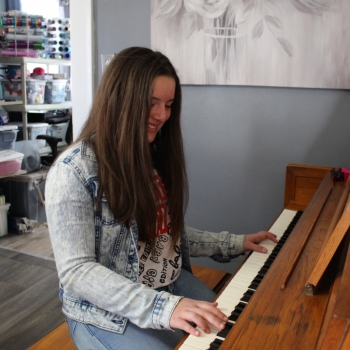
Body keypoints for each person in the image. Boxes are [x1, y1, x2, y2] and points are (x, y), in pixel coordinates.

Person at [45, 46, 278, 350]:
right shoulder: (72, 171)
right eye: (151, 103)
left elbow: (165, 235)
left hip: (168, 283)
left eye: (168, 105)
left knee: (235, 335)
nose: (162, 115)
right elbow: (77, 272)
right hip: (104, 313)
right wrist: (164, 308)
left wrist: (232, 243)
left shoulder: (149, 155)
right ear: (120, 99)